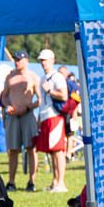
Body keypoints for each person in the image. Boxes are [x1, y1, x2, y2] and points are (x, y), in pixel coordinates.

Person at [0, 49, 42, 189]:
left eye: (19, 60)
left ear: (26, 61)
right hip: (12, 116)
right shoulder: (10, 76)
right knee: (13, 150)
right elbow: (4, 96)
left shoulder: (33, 77)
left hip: (27, 114)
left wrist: (28, 107)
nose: (17, 62)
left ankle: (32, 181)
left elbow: (40, 100)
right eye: (16, 60)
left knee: (31, 148)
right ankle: (11, 182)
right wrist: (8, 106)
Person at [38, 49, 73, 192]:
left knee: (58, 150)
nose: (43, 63)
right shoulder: (43, 77)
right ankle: (55, 181)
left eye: (45, 60)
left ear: (52, 60)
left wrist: (49, 91)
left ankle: (61, 183)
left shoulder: (57, 76)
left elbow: (64, 96)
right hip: (46, 116)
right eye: (41, 60)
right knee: (51, 151)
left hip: (55, 116)